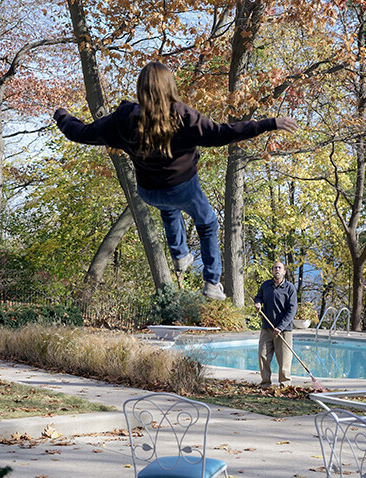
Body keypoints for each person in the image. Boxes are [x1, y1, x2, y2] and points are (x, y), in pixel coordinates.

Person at [53, 61, 297, 300]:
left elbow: (82, 133)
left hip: (148, 191)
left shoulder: (123, 119)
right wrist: (269, 123)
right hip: (183, 189)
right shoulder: (182, 116)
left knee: (168, 210)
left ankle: (180, 256)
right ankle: (212, 283)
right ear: (169, 87)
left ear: (141, 89)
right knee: (208, 224)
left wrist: (62, 115)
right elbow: (223, 133)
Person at [253, 261, 297, 387]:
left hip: (284, 331)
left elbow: (292, 310)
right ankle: (265, 383)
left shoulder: (290, 288)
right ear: (272, 271)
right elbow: (258, 297)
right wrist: (258, 303)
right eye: (275, 268)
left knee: (284, 360)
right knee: (263, 356)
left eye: (279, 268)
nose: (277, 270)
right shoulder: (266, 285)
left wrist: (281, 327)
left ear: (284, 271)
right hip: (267, 328)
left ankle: (285, 385)